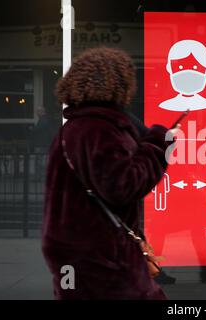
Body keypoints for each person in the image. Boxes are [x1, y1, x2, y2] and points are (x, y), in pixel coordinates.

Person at [42, 47, 178, 300]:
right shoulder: (99, 130)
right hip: (99, 256)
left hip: (77, 251)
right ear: (119, 83)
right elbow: (122, 185)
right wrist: (158, 146)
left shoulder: (75, 128)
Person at [159, 40, 206, 111]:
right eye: (180, 68)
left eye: (195, 68)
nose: (187, 74)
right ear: (169, 68)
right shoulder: (166, 106)